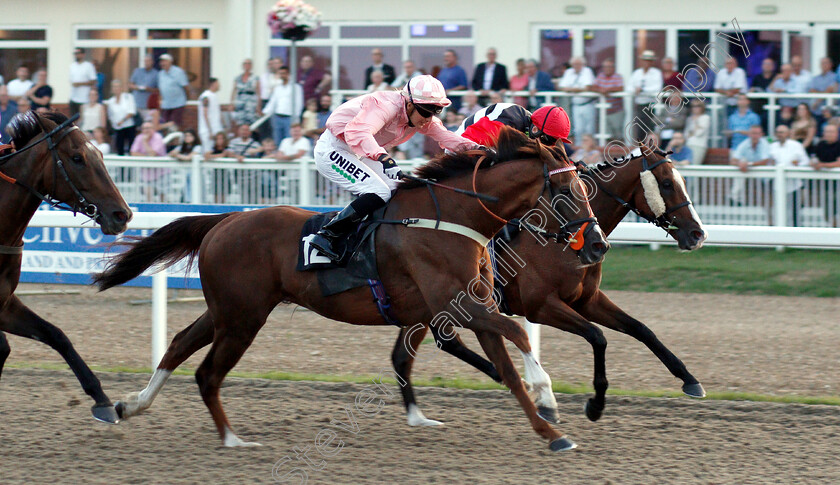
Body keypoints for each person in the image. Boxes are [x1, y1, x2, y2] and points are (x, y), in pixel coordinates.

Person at [309, 75, 482, 261]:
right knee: (379, 192)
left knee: (397, 189)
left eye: (435, 112)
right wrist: (383, 157)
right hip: (334, 149)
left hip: (360, 151)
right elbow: (357, 132)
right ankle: (326, 235)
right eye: (426, 112)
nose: (429, 118)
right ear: (409, 104)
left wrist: (479, 150)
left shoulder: (420, 116)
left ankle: (371, 238)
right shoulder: (385, 106)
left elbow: (446, 137)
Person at [455, 103, 572, 150]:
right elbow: (468, 142)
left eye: (555, 142)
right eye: (550, 141)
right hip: (458, 149)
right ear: (535, 130)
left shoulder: (530, 128)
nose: (550, 146)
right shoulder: (510, 120)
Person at [770, 124, 809, 225]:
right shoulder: (772, 147)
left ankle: (797, 233)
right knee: (778, 210)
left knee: (795, 211)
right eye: (778, 132)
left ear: (787, 133)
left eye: (782, 132)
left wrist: (797, 165)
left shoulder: (796, 145)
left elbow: (805, 161)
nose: (780, 134)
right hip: (777, 185)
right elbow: (768, 162)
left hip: (794, 185)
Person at [729, 125, 772, 205]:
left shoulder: (764, 144)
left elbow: (765, 161)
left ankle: (737, 198)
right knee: (742, 162)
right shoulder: (745, 144)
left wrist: (748, 164)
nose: (754, 136)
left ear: (761, 135)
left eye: (756, 134)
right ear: (749, 134)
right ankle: (736, 198)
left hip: (766, 174)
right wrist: (740, 164)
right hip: (749, 172)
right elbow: (733, 160)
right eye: (752, 133)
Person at [264, 66, 304, 146]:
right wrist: (265, 112)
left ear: (288, 74)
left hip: (289, 117)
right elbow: (273, 102)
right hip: (278, 117)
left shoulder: (296, 87)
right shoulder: (278, 88)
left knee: (289, 139)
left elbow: (299, 103)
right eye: (280, 73)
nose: (282, 75)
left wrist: (296, 119)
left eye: (284, 73)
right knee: (277, 139)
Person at [559, 56, 596, 139]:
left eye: (579, 64)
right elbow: (561, 87)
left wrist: (570, 89)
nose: (576, 66)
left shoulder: (587, 71)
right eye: (575, 64)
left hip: (588, 104)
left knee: (589, 129)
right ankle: (580, 148)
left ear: (583, 64)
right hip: (576, 105)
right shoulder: (569, 72)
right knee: (578, 129)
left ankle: (590, 147)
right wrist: (578, 89)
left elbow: (587, 87)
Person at [810, 124, 840, 226]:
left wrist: (823, 165)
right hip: (825, 184)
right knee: (828, 210)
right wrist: (813, 163)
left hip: (837, 183)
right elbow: (814, 158)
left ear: (837, 133)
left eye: (831, 132)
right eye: (827, 131)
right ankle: (834, 229)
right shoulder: (820, 144)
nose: (829, 134)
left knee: (834, 207)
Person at [630, 50, 663, 142]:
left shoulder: (656, 73)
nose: (646, 62)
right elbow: (629, 87)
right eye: (645, 60)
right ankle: (640, 148)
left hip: (651, 105)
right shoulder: (636, 73)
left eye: (649, 60)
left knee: (650, 127)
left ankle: (651, 147)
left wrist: (642, 90)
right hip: (639, 104)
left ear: (652, 62)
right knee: (639, 127)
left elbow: (657, 88)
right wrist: (635, 90)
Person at [590, 58, 625, 142]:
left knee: (618, 134)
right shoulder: (600, 76)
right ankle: (608, 152)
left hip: (616, 110)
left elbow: (620, 88)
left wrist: (608, 90)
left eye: (609, 67)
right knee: (606, 135)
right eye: (605, 67)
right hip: (604, 111)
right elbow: (593, 87)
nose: (607, 69)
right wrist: (601, 90)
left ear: (613, 68)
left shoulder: (617, 76)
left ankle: (620, 152)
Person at [104, 79, 137, 156]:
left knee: (131, 147)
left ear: (121, 88)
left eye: (118, 87)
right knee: (119, 148)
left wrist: (122, 121)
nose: (116, 89)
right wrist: (114, 123)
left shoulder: (128, 97)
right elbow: (110, 115)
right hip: (118, 128)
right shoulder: (111, 101)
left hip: (129, 126)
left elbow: (132, 111)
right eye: (114, 87)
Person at [157, 53, 189, 128]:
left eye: (164, 61)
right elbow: (160, 89)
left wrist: (187, 99)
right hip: (166, 104)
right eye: (161, 62)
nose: (162, 63)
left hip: (177, 103)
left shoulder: (178, 72)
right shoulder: (160, 74)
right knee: (165, 125)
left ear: (170, 62)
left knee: (175, 125)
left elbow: (185, 87)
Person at [231, 58, 260, 131]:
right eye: (245, 64)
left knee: (252, 122)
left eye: (249, 64)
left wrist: (258, 105)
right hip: (240, 102)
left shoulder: (255, 78)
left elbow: (258, 92)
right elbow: (234, 90)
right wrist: (232, 103)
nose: (247, 66)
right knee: (240, 122)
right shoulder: (237, 78)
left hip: (251, 102)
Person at [749, 58, 777, 131]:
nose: (767, 66)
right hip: (758, 106)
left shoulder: (776, 77)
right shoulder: (757, 77)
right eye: (765, 64)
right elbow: (751, 90)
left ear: (773, 66)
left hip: (771, 105)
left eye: (769, 64)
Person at [198, 77, 223, 153]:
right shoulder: (206, 96)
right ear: (213, 84)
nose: (219, 85)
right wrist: (209, 131)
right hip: (208, 131)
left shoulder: (214, 96)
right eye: (218, 83)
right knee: (208, 151)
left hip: (216, 129)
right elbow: (205, 114)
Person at [68, 48, 97, 116]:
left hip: (85, 99)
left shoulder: (88, 66)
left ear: (83, 54)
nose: (76, 55)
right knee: (73, 121)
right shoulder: (72, 66)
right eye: (75, 54)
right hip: (73, 98)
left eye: (78, 53)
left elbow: (93, 81)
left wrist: (80, 84)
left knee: (83, 121)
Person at [129, 54, 158, 118]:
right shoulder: (137, 71)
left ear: (152, 62)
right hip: (136, 104)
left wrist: (149, 89)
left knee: (148, 125)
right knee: (137, 126)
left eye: (148, 61)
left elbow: (158, 90)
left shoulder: (156, 74)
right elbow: (130, 85)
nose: (147, 63)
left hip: (148, 106)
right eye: (145, 61)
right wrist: (137, 87)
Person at [685, 100, 710, 165]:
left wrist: (695, 121)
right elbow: (686, 134)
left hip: (699, 145)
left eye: (698, 106)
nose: (695, 108)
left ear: (702, 107)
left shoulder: (705, 118)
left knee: (695, 165)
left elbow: (698, 133)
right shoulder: (689, 118)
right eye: (693, 106)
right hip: (688, 143)